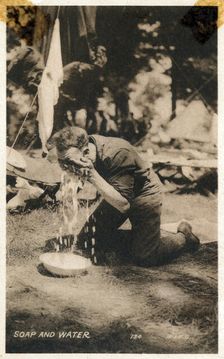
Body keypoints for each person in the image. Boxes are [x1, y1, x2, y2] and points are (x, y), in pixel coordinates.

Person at [48, 126, 200, 266]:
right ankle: (142, 237)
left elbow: (123, 204)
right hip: (117, 192)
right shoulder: (82, 149)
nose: (65, 166)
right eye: (61, 161)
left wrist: (93, 176)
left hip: (144, 195)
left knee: (145, 257)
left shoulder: (118, 152)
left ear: (86, 152)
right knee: (85, 242)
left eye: (68, 161)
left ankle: (184, 237)